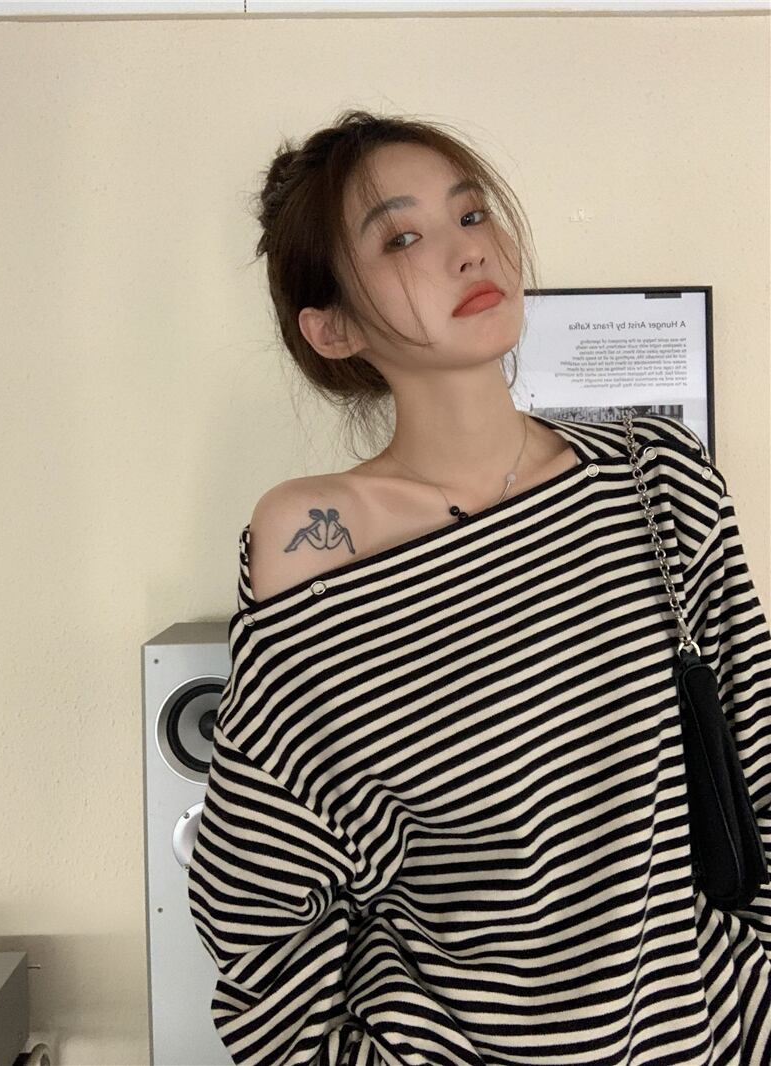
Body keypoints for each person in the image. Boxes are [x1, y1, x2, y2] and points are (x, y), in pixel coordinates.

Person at [186, 110, 771, 1065]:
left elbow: (756, 755)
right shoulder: (312, 538)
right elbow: (259, 887)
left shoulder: (656, 475)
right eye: (402, 238)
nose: (470, 250)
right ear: (331, 327)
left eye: (471, 214)